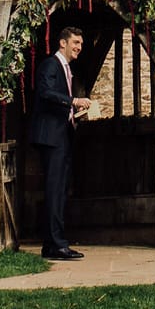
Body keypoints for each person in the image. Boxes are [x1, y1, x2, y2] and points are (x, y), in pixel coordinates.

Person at [29, 25, 93, 260]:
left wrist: (73, 115)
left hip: (62, 135)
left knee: (59, 190)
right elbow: (45, 93)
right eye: (75, 43)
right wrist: (73, 101)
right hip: (51, 137)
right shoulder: (50, 65)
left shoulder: (66, 68)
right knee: (54, 191)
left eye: (81, 44)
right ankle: (56, 244)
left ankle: (53, 243)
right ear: (62, 43)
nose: (79, 48)